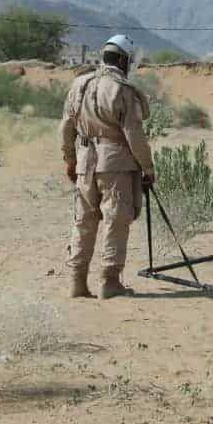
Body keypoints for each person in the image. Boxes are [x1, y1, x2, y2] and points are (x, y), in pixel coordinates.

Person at [60, 34, 155, 299]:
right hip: (115, 164)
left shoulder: (79, 84)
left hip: (84, 162)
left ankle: (77, 283)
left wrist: (69, 159)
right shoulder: (120, 89)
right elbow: (134, 135)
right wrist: (148, 169)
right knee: (116, 218)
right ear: (124, 60)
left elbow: (66, 127)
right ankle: (110, 282)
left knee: (83, 221)